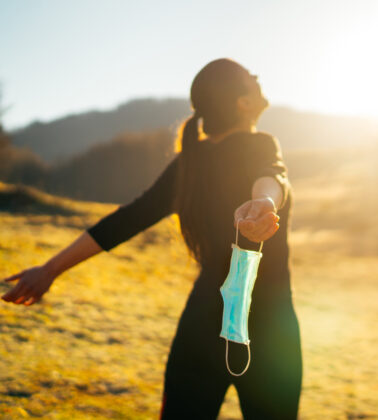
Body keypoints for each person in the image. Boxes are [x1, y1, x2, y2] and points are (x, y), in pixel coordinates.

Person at [1, 58, 303, 419]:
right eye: (249, 77)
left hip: (201, 325)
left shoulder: (188, 163)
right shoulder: (256, 144)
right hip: (271, 331)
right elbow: (271, 174)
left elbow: (126, 219)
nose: (257, 77)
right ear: (243, 102)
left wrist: (50, 269)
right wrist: (266, 200)